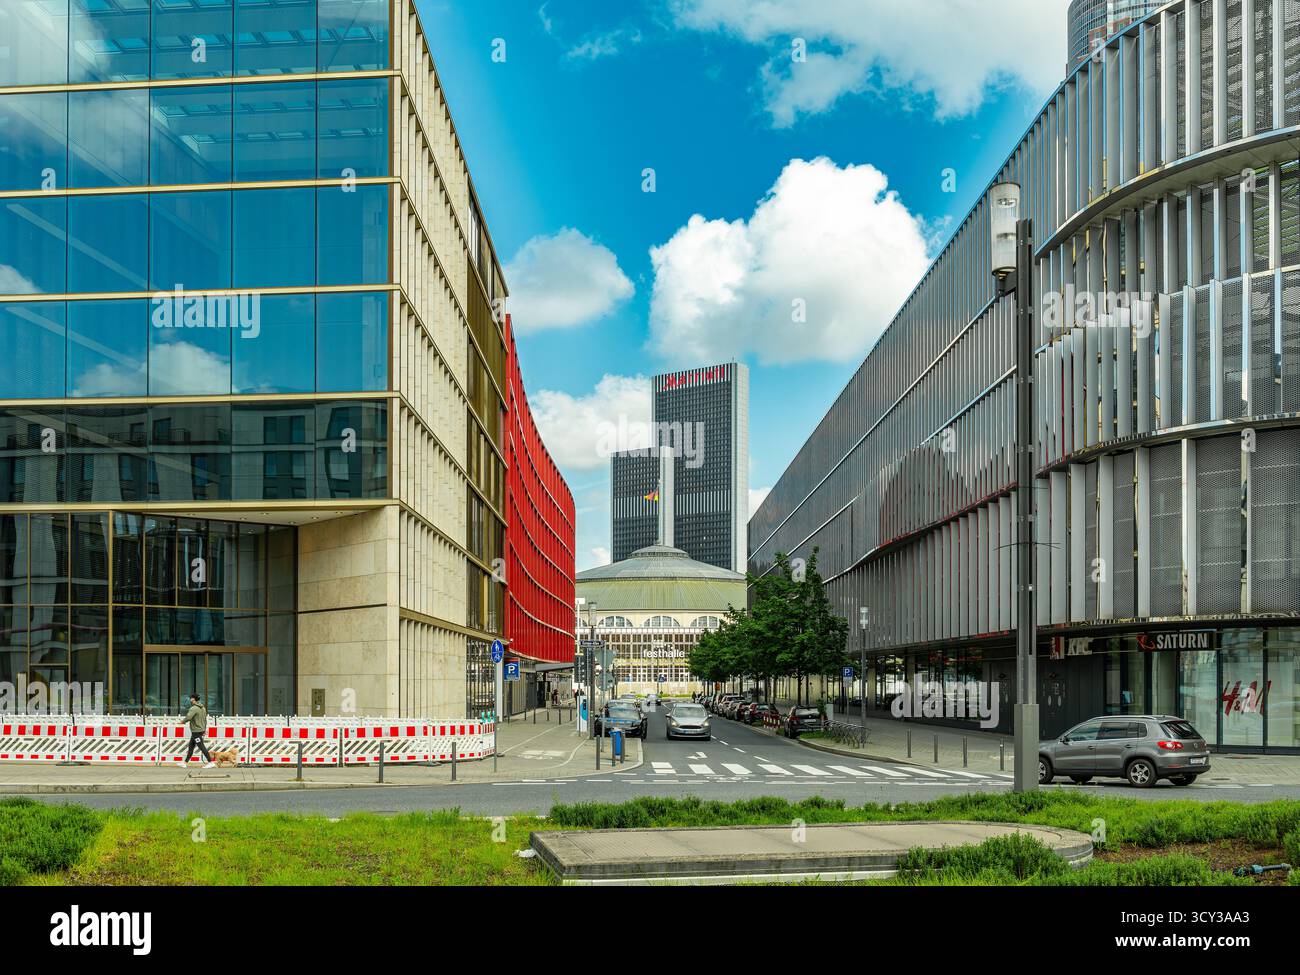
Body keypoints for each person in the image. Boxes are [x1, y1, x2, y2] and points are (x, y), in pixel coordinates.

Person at [183, 693, 215, 769]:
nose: (190, 699)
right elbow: (204, 720)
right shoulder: (203, 708)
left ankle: (210, 762)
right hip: (199, 730)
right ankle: (185, 763)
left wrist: (182, 721)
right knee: (191, 746)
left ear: (193, 699)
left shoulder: (193, 708)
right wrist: (204, 729)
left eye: (191, 698)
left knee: (201, 746)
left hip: (196, 731)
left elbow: (188, 717)